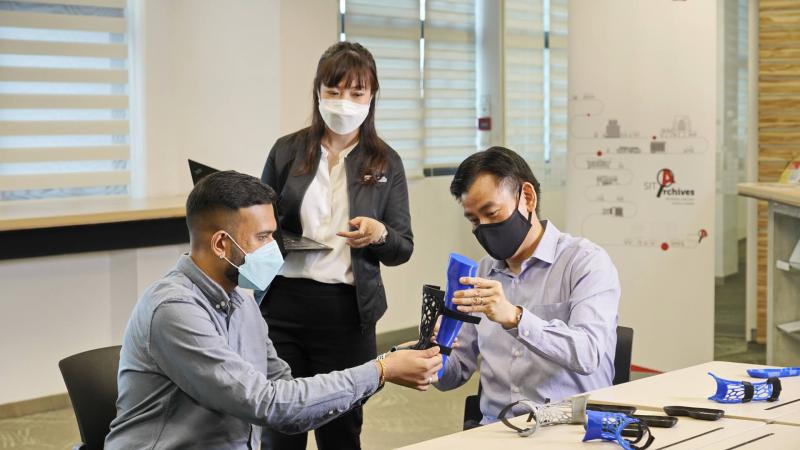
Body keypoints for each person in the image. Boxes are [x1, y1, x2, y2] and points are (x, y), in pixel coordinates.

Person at [105, 171, 440, 450]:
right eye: (263, 237)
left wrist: (387, 364)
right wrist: (381, 370)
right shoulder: (174, 310)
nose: (275, 248)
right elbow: (269, 404)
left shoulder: (242, 302)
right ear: (221, 244)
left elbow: (290, 399)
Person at [259, 42, 412, 449]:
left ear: (372, 96)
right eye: (334, 91)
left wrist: (379, 234)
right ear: (318, 91)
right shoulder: (287, 151)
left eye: (357, 93)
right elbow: (258, 224)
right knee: (279, 428)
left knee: (341, 430)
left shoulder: (386, 162)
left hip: (348, 312)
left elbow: (403, 247)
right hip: (284, 306)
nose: (344, 102)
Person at [432, 146, 620, 424]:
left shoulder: (585, 263)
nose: (483, 227)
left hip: (571, 429)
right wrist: (434, 354)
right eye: (474, 220)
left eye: (492, 213)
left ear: (527, 198)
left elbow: (588, 354)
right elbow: (455, 373)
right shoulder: (482, 273)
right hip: (496, 430)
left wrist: (516, 318)